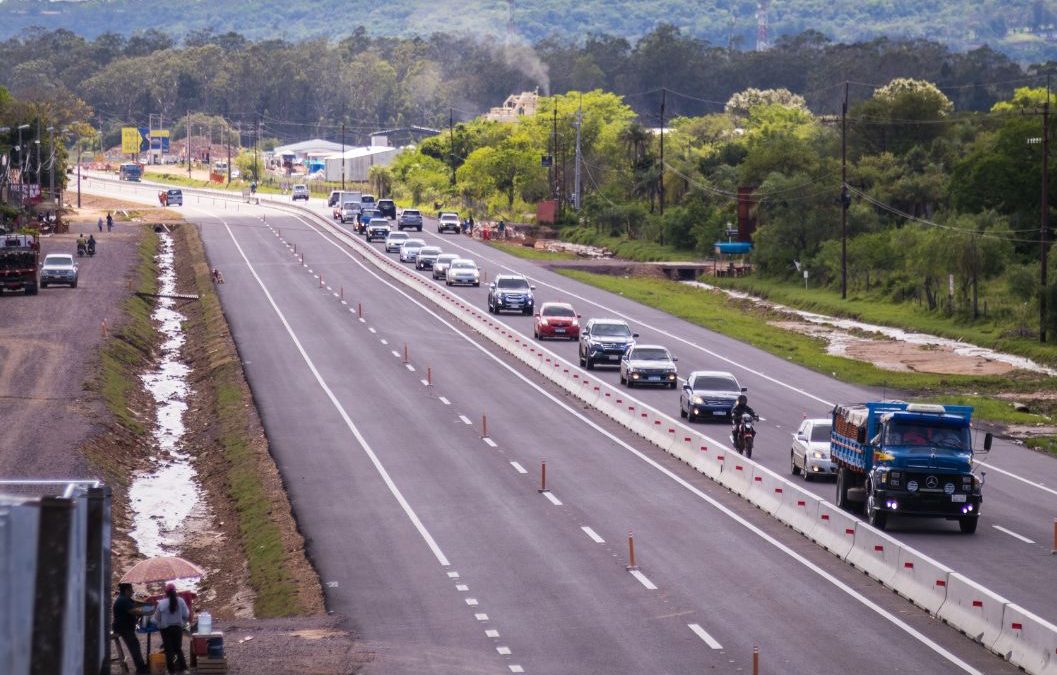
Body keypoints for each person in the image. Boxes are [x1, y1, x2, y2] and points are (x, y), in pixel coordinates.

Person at [113, 583, 150, 674]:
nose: (132, 592)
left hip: (124, 627)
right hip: (124, 628)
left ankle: (141, 667)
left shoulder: (124, 599)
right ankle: (141, 669)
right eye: (131, 590)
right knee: (134, 646)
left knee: (135, 645)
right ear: (127, 590)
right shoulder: (123, 600)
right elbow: (135, 611)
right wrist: (147, 610)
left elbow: (134, 606)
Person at [152, 583, 189, 673]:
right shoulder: (181, 601)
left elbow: (156, 619)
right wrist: (182, 623)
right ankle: (184, 669)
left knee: (169, 650)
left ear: (166, 593)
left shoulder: (161, 603)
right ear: (175, 591)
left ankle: (171, 671)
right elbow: (186, 614)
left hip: (165, 629)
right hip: (178, 628)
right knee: (178, 649)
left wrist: (152, 621)